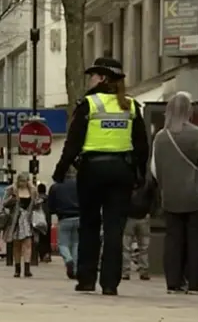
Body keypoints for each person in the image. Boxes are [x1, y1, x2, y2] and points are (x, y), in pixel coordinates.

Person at [52, 57, 149, 295]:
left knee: (90, 226)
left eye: (93, 75)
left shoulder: (88, 104)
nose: (91, 79)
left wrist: (61, 170)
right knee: (115, 228)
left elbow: (73, 142)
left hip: (92, 171)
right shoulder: (132, 106)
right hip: (122, 172)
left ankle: (86, 279)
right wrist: (139, 174)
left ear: (103, 78)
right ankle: (110, 283)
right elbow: (142, 145)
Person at [151, 92, 198, 294]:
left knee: (173, 240)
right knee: (194, 239)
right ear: (189, 110)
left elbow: (154, 169)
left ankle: (173, 282)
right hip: (196, 194)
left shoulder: (160, 137)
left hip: (170, 195)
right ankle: (194, 282)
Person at [2, 172, 40, 278]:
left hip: (27, 220)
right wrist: (12, 199)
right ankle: (17, 269)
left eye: (25, 181)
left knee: (28, 244)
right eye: (21, 181)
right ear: (17, 181)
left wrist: (37, 203)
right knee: (16, 245)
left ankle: (27, 269)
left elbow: (36, 204)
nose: (23, 183)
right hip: (15, 220)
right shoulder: (11, 189)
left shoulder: (32, 190)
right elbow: (3, 204)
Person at [48, 167, 80, 279]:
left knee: (63, 244)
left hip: (64, 217)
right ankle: (75, 269)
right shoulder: (80, 184)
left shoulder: (55, 186)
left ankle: (68, 260)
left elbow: (50, 206)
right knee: (76, 244)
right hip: (79, 217)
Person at [122, 181, 155, 281]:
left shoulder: (126, 187)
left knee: (126, 247)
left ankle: (125, 272)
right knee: (144, 248)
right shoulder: (147, 186)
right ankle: (144, 271)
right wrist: (150, 212)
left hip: (128, 218)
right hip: (143, 217)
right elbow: (153, 200)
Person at [37, 183, 52, 263]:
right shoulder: (49, 198)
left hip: (39, 222)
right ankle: (48, 254)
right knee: (47, 239)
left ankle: (42, 255)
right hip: (48, 221)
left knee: (40, 239)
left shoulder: (37, 198)